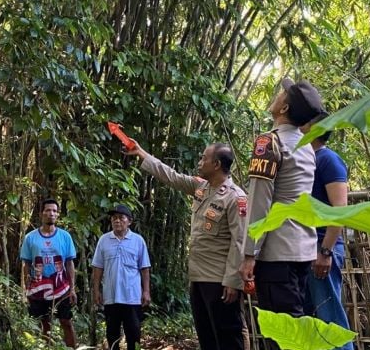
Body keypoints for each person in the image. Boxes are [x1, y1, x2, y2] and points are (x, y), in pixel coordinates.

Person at [126, 142, 247, 350]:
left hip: (220, 281)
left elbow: (240, 241)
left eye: (203, 158)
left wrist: (233, 281)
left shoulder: (235, 197)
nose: (199, 162)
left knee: (228, 337)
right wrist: (141, 153)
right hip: (198, 278)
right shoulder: (201, 187)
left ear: (216, 164)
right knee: (206, 336)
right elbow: (171, 176)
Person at [239, 78, 324, 349]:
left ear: (284, 107)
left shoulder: (269, 143)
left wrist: (250, 253)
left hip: (276, 253)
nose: (276, 96)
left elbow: (260, 201)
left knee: (281, 336)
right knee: (295, 327)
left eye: (280, 94)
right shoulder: (307, 147)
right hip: (302, 249)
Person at [301, 113, 354, 350]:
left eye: (302, 121)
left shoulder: (328, 160)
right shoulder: (307, 160)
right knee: (312, 319)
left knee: (330, 318)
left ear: (313, 128)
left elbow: (339, 211)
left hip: (322, 248)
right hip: (305, 248)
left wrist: (326, 251)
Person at [91, 204, 151, 350]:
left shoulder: (138, 240)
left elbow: (144, 268)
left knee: (134, 332)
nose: (117, 221)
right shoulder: (104, 240)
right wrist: (96, 291)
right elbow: (98, 267)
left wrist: (146, 291)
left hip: (132, 296)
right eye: (114, 218)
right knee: (112, 333)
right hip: (111, 296)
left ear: (129, 221)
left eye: (121, 218)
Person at [20, 198, 77, 348]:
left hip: (61, 287)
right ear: (41, 214)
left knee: (66, 321)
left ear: (58, 214)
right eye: (47, 210)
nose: (50, 213)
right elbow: (26, 264)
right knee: (44, 323)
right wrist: (26, 287)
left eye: (54, 211)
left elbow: (69, 263)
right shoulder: (30, 238)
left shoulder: (65, 237)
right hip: (38, 288)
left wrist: (72, 289)